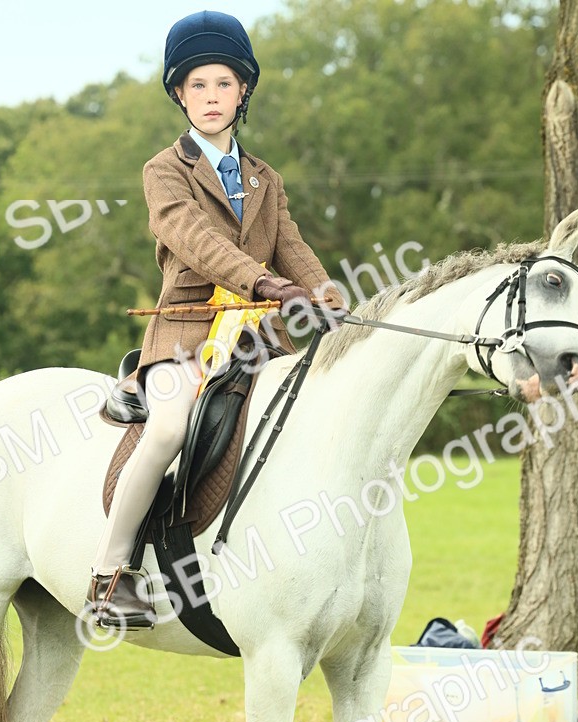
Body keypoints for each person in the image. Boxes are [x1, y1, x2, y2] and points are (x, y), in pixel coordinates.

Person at [87, 9, 345, 628]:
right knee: (170, 429)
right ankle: (110, 574)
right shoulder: (164, 171)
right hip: (184, 339)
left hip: (258, 342)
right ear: (179, 93)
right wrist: (264, 282)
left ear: (244, 90)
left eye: (223, 84)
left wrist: (330, 295)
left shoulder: (265, 178)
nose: (211, 96)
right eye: (197, 85)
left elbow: (293, 246)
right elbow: (196, 239)